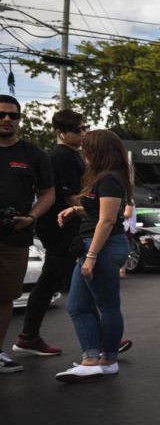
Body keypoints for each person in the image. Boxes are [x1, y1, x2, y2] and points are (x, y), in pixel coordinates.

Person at [53, 130, 133, 383]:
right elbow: (99, 210)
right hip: (97, 246)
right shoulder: (105, 177)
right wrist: (76, 210)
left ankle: (106, 360)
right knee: (77, 306)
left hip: (103, 247)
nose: (83, 151)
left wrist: (91, 255)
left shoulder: (110, 178)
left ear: (97, 150)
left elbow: (108, 219)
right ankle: (93, 360)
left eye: (86, 147)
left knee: (107, 306)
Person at [14, 109, 87, 358]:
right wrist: (96, 213)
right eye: (78, 130)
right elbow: (69, 197)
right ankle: (100, 340)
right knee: (79, 284)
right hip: (59, 228)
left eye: (84, 128)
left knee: (49, 282)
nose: (83, 133)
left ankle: (28, 337)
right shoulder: (61, 156)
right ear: (61, 133)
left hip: (61, 227)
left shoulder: (73, 154)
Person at [0, 95, 55, 373]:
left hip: (15, 235)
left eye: (12, 115)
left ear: (20, 119)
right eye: (2, 114)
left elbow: (48, 193)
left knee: (6, 296)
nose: (7, 119)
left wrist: (32, 217)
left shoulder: (33, 154)